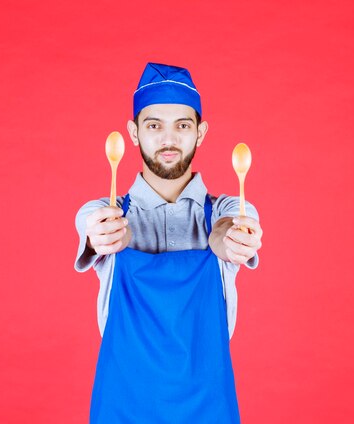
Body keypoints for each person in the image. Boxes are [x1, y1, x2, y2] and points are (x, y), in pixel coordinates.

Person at [74, 62, 263, 423]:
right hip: (124, 403)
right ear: (133, 133)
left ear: (201, 133)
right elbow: (89, 222)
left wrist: (230, 236)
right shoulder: (106, 213)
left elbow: (236, 222)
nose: (168, 139)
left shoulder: (224, 209)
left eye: (182, 126)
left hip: (207, 404)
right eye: (154, 126)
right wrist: (105, 234)